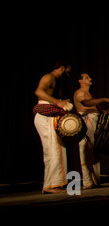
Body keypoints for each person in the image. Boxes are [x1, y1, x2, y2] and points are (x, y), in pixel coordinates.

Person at [33, 61, 72, 193]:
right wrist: (57, 102)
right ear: (61, 68)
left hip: (46, 116)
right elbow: (38, 91)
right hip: (46, 116)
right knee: (56, 149)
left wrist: (61, 102)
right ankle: (54, 185)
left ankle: (49, 185)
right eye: (67, 71)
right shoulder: (49, 77)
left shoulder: (55, 80)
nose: (68, 75)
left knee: (51, 150)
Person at [73, 73, 109, 189]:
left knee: (94, 152)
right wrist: (103, 99)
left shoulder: (90, 94)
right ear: (80, 81)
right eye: (87, 77)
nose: (90, 79)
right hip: (85, 122)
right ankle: (87, 181)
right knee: (85, 150)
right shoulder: (80, 93)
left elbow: (95, 110)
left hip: (93, 122)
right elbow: (85, 103)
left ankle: (95, 180)